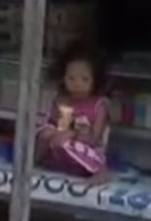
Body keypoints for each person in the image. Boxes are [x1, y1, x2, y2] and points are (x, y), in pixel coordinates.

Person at [34, 42, 110, 177]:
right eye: (71, 79)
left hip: (85, 151)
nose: (77, 84)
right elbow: (54, 123)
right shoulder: (61, 100)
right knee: (43, 132)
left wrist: (73, 135)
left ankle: (100, 173)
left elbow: (94, 139)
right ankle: (32, 163)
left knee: (69, 145)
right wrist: (53, 133)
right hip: (59, 145)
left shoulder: (99, 105)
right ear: (63, 78)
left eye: (84, 79)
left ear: (95, 80)